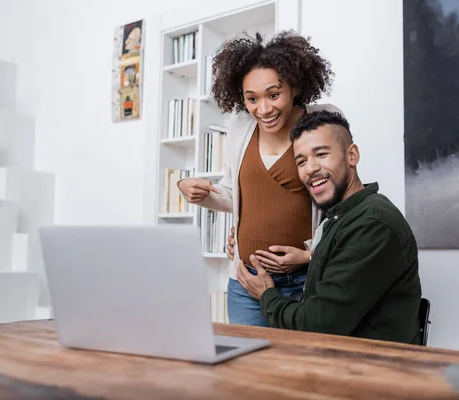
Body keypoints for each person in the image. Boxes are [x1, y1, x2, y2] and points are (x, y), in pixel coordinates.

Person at [177, 30, 343, 326]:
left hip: (306, 281)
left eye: (274, 94)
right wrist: (192, 189)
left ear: (294, 85)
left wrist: (310, 254)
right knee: (245, 369)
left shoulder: (323, 121)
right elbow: (236, 196)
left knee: (299, 368)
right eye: (251, 98)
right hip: (245, 282)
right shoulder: (240, 124)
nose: (263, 109)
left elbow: (346, 204)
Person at [236, 110, 423, 344]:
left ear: (352, 155)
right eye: (301, 161)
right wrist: (310, 257)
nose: (310, 168)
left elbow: (316, 327)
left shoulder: (372, 224)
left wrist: (266, 294)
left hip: (367, 370)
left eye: (321, 154)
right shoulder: (341, 216)